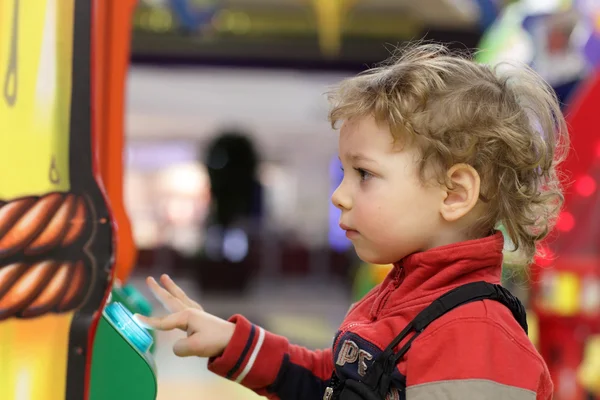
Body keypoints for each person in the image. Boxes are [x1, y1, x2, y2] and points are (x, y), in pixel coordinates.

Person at [135, 43, 568, 400]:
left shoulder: (475, 338)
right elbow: (333, 380)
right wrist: (233, 344)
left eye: (364, 174)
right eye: (344, 173)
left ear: (454, 193)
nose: (339, 196)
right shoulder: (401, 299)